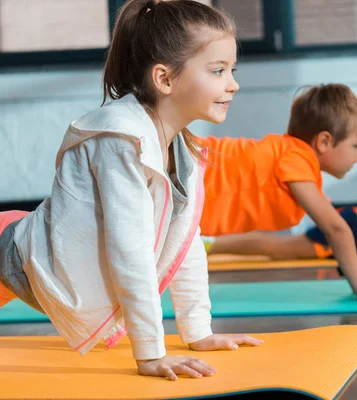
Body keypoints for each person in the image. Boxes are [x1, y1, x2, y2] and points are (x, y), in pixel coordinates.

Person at [0, 0, 261, 381]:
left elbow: (185, 243)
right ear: (165, 79)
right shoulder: (122, 141)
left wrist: (199, 332)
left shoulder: (182, 150)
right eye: (218, 70)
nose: (233, 83)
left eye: (231, 70)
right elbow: (130, 249)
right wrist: (151, 353)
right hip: (17, 256)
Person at [201, 84, 357, 301]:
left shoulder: (291, 157)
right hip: (185, 169)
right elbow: (336, 229)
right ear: (324, 142)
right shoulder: (297, 159)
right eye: (355, 146)